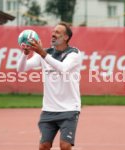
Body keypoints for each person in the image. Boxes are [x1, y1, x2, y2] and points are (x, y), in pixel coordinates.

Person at [17, 22, 82, 150]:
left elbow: (63, 69)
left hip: (69, 108)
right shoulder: (45, 53)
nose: (53, 34)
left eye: (57, 32)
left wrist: (42, 54)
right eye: (53, 31)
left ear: (66, 37)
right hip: (49, 109)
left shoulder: (74, 54)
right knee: (44, 146)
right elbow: (21, 68)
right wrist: (25, 54)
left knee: (65, 146)